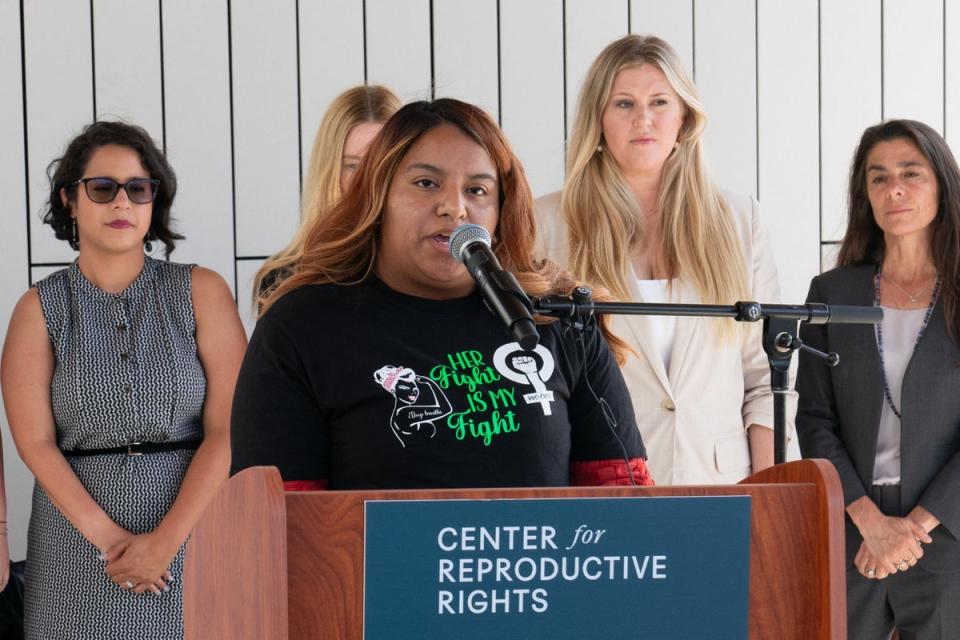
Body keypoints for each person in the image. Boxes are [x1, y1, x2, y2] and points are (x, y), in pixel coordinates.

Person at [231, 98, 653, 490]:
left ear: (501, 211)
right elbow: (276, 523)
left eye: (477, 190)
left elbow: (623, 497)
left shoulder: (555, 317)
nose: (455, 207)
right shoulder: (301, 327)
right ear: (377, 197)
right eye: (427, 182)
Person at [0, 121, 247, 638]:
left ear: (154, 200)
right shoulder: (38, 309)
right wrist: (112, 542)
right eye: (103, 188)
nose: (122, 203)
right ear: (70, 199)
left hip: (195, 533)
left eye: (138, 189)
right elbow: (35, 443)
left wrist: (163, 544)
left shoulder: (202, 291)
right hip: (75, 550)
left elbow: (230, 429)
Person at [536, 34, 791, 485]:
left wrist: (770, 495)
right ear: (598, 118)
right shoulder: (548, 223)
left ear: (685, 118)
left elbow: (765, 377)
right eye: (623, 104)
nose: (643, 120)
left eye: (659, 102)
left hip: (722, 485)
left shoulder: (738, 219)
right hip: (601, 489)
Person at [796, 119, 960, 638]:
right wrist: (869, 521)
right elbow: (815, 419)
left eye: (911, 174)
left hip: (944, 534)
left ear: (942, 185)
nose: (894, 189)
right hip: (851, 528)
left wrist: (913, 529)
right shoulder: (833, 290)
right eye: (878, 177)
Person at [253, 84, 402, 302]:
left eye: (382, 164)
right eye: (353, 166)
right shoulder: (285, 277)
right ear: (330, 170)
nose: (368, 179)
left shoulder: (435, 268)